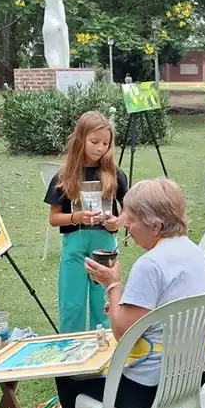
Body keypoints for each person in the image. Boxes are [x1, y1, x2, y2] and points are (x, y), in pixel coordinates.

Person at [55, 178, 205, 408]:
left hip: (150, 390)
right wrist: (123, 299)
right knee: (130, 362)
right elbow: (159, 309)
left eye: (131, 221)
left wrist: (112, 284)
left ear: (155, 226)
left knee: (69, 376)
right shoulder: (194, 252)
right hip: (193, 376)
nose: (127, 229)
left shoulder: (150, 264)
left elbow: (121, 331)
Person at [45, 111, 128, 333]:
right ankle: (71, 350)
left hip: (104, 248)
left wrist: (117, 222)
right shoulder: (64, 176)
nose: (100, 148)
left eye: (105, 144)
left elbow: (129, 210)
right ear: (80, 139)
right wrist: (77, 217)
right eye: (94, 142)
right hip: (74, 247)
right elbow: (54, 218)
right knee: (72, 303)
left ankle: (107, 351)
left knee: (103, 304)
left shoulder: (114, 173)